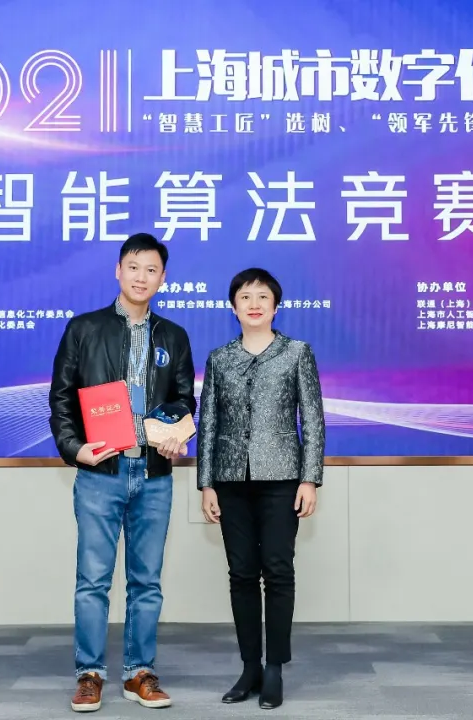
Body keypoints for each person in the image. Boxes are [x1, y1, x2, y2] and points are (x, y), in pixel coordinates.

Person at [48, 232, 196, 713]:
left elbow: (183, 400)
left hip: (153, 476)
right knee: (92, 579)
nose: (141, 277)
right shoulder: (84, 329)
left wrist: (173, 429)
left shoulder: (173, 336)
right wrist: (75, 449)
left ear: (163, 278)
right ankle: (89, 673)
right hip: (100, 473)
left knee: (146, 581)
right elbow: (61, 397)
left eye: (151, 270)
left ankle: (138, 673)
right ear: (118, 270)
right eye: (133, 267)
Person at [196, 267, 326, 710]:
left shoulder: (296, 353)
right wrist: (206, 483)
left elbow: (313, 420)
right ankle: (249, 666)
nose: (254, 304)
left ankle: (275, 669)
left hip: (283, 478)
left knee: (278, 570)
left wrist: (310, 478)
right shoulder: (220, 359)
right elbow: (209, 424)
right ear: (233, 307)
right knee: (241, 573)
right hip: (230, 480)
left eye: (263, 296)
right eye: (245, 297)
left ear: (275, 306)